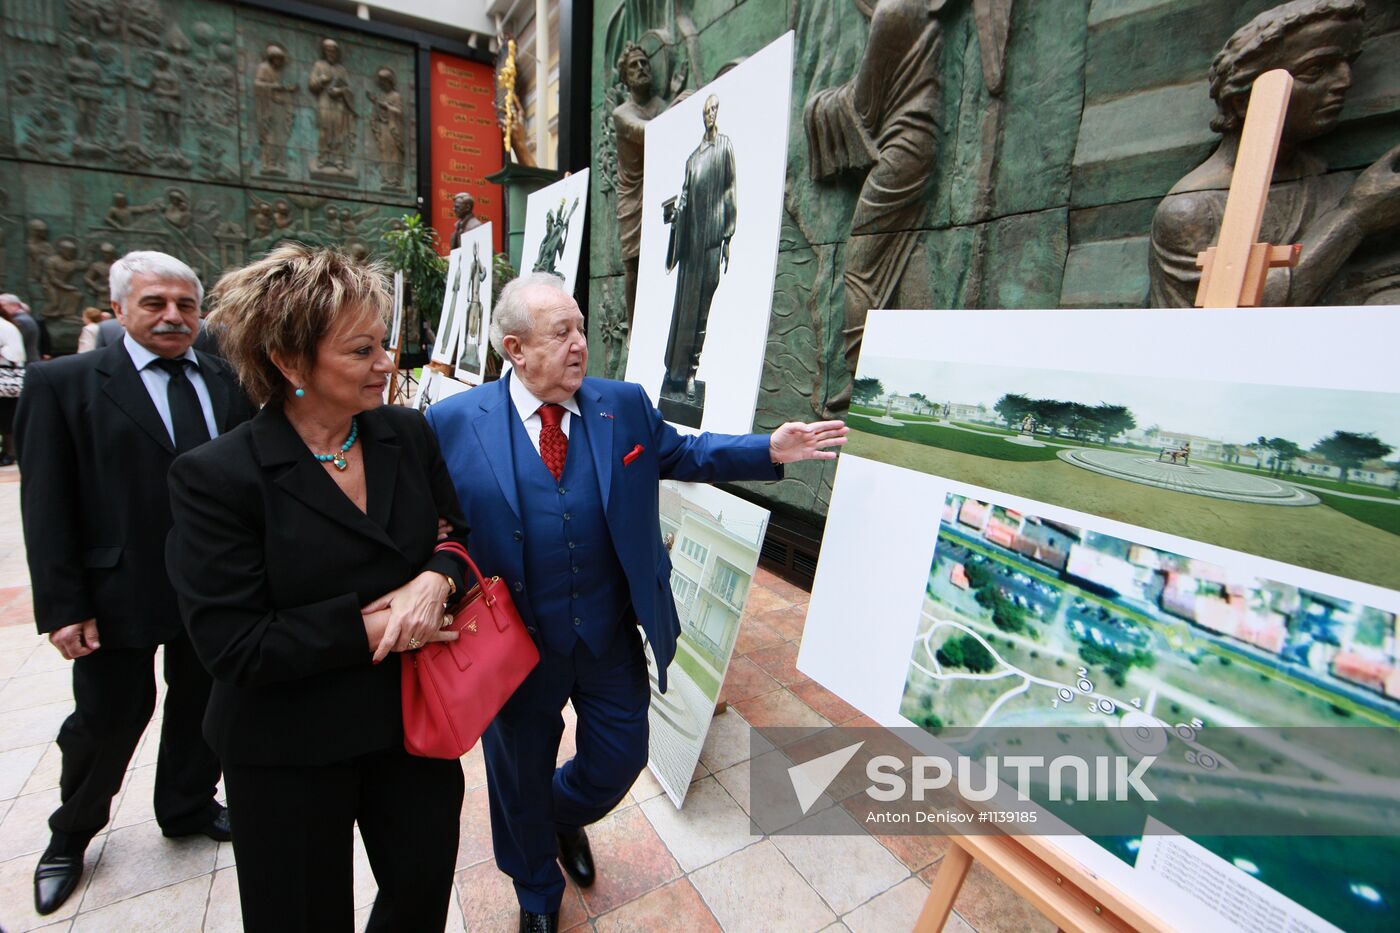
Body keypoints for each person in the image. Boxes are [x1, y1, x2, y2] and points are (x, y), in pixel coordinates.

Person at [426, 272, 848, 933]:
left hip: (605, 634)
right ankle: (537, 889)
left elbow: (685, 452)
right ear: (515, 348)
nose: (579, 344)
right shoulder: (452, 423)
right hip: (514, 649)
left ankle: (562, 814)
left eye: (580, 328)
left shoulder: (619, 406)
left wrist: (768, 449)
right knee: (515, 779)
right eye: (560, 332)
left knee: (619, 758)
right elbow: (434, 524)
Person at [164, 244, 472, 932]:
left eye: (384, 344)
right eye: (361, 351)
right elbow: (232, 642)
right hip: (286, 743)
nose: (386, 363)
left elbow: (456, 534)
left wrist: (433, 579)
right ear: (289, 361)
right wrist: (375, 626)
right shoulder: (217, 477)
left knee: (421, 890)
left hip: (411, 725)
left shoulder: (405, 432)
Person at [15, 251, 255, 916]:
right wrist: (62, 605)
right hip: (116, 592)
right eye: (155, 303)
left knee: (202, 707)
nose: (173, 316)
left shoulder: (226, 375)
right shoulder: (63, 383)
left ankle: (185, 803)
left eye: (185, 304)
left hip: (211, 586)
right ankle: (72, 832)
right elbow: (46, 502)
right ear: (119, 307)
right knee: (108, 717)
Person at [1149, 0, 1400, 307]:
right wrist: (1354, 218)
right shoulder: (1193, 212)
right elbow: (1229, 322)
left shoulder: (1330, 184)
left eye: (1347, 63)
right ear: (1243, 101)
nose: (1345, 81)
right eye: (1316, 69)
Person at [662, 94, 737, 403]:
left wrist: (727, 237)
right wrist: (674, 214)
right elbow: (684, 196)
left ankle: (692, 371)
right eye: (706, 111)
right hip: (691, 248)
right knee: (684, 313)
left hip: (711, 242)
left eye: (714, 109)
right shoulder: (693, 159)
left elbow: (730, 189)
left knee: (702, 312)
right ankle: (677, 373)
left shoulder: (725, 147)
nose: (710, 115)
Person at [0, 310, 25, 466]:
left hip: (5, 380)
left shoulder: (6, 327)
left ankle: (10, 452)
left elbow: (17, 355)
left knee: (6, 418)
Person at [0, 293, 41, 365]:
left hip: (24, 364)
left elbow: (15, 346)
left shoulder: (19, 321)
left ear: (15, 305)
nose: (2, 309)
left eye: (2, 305)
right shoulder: (24, 318)